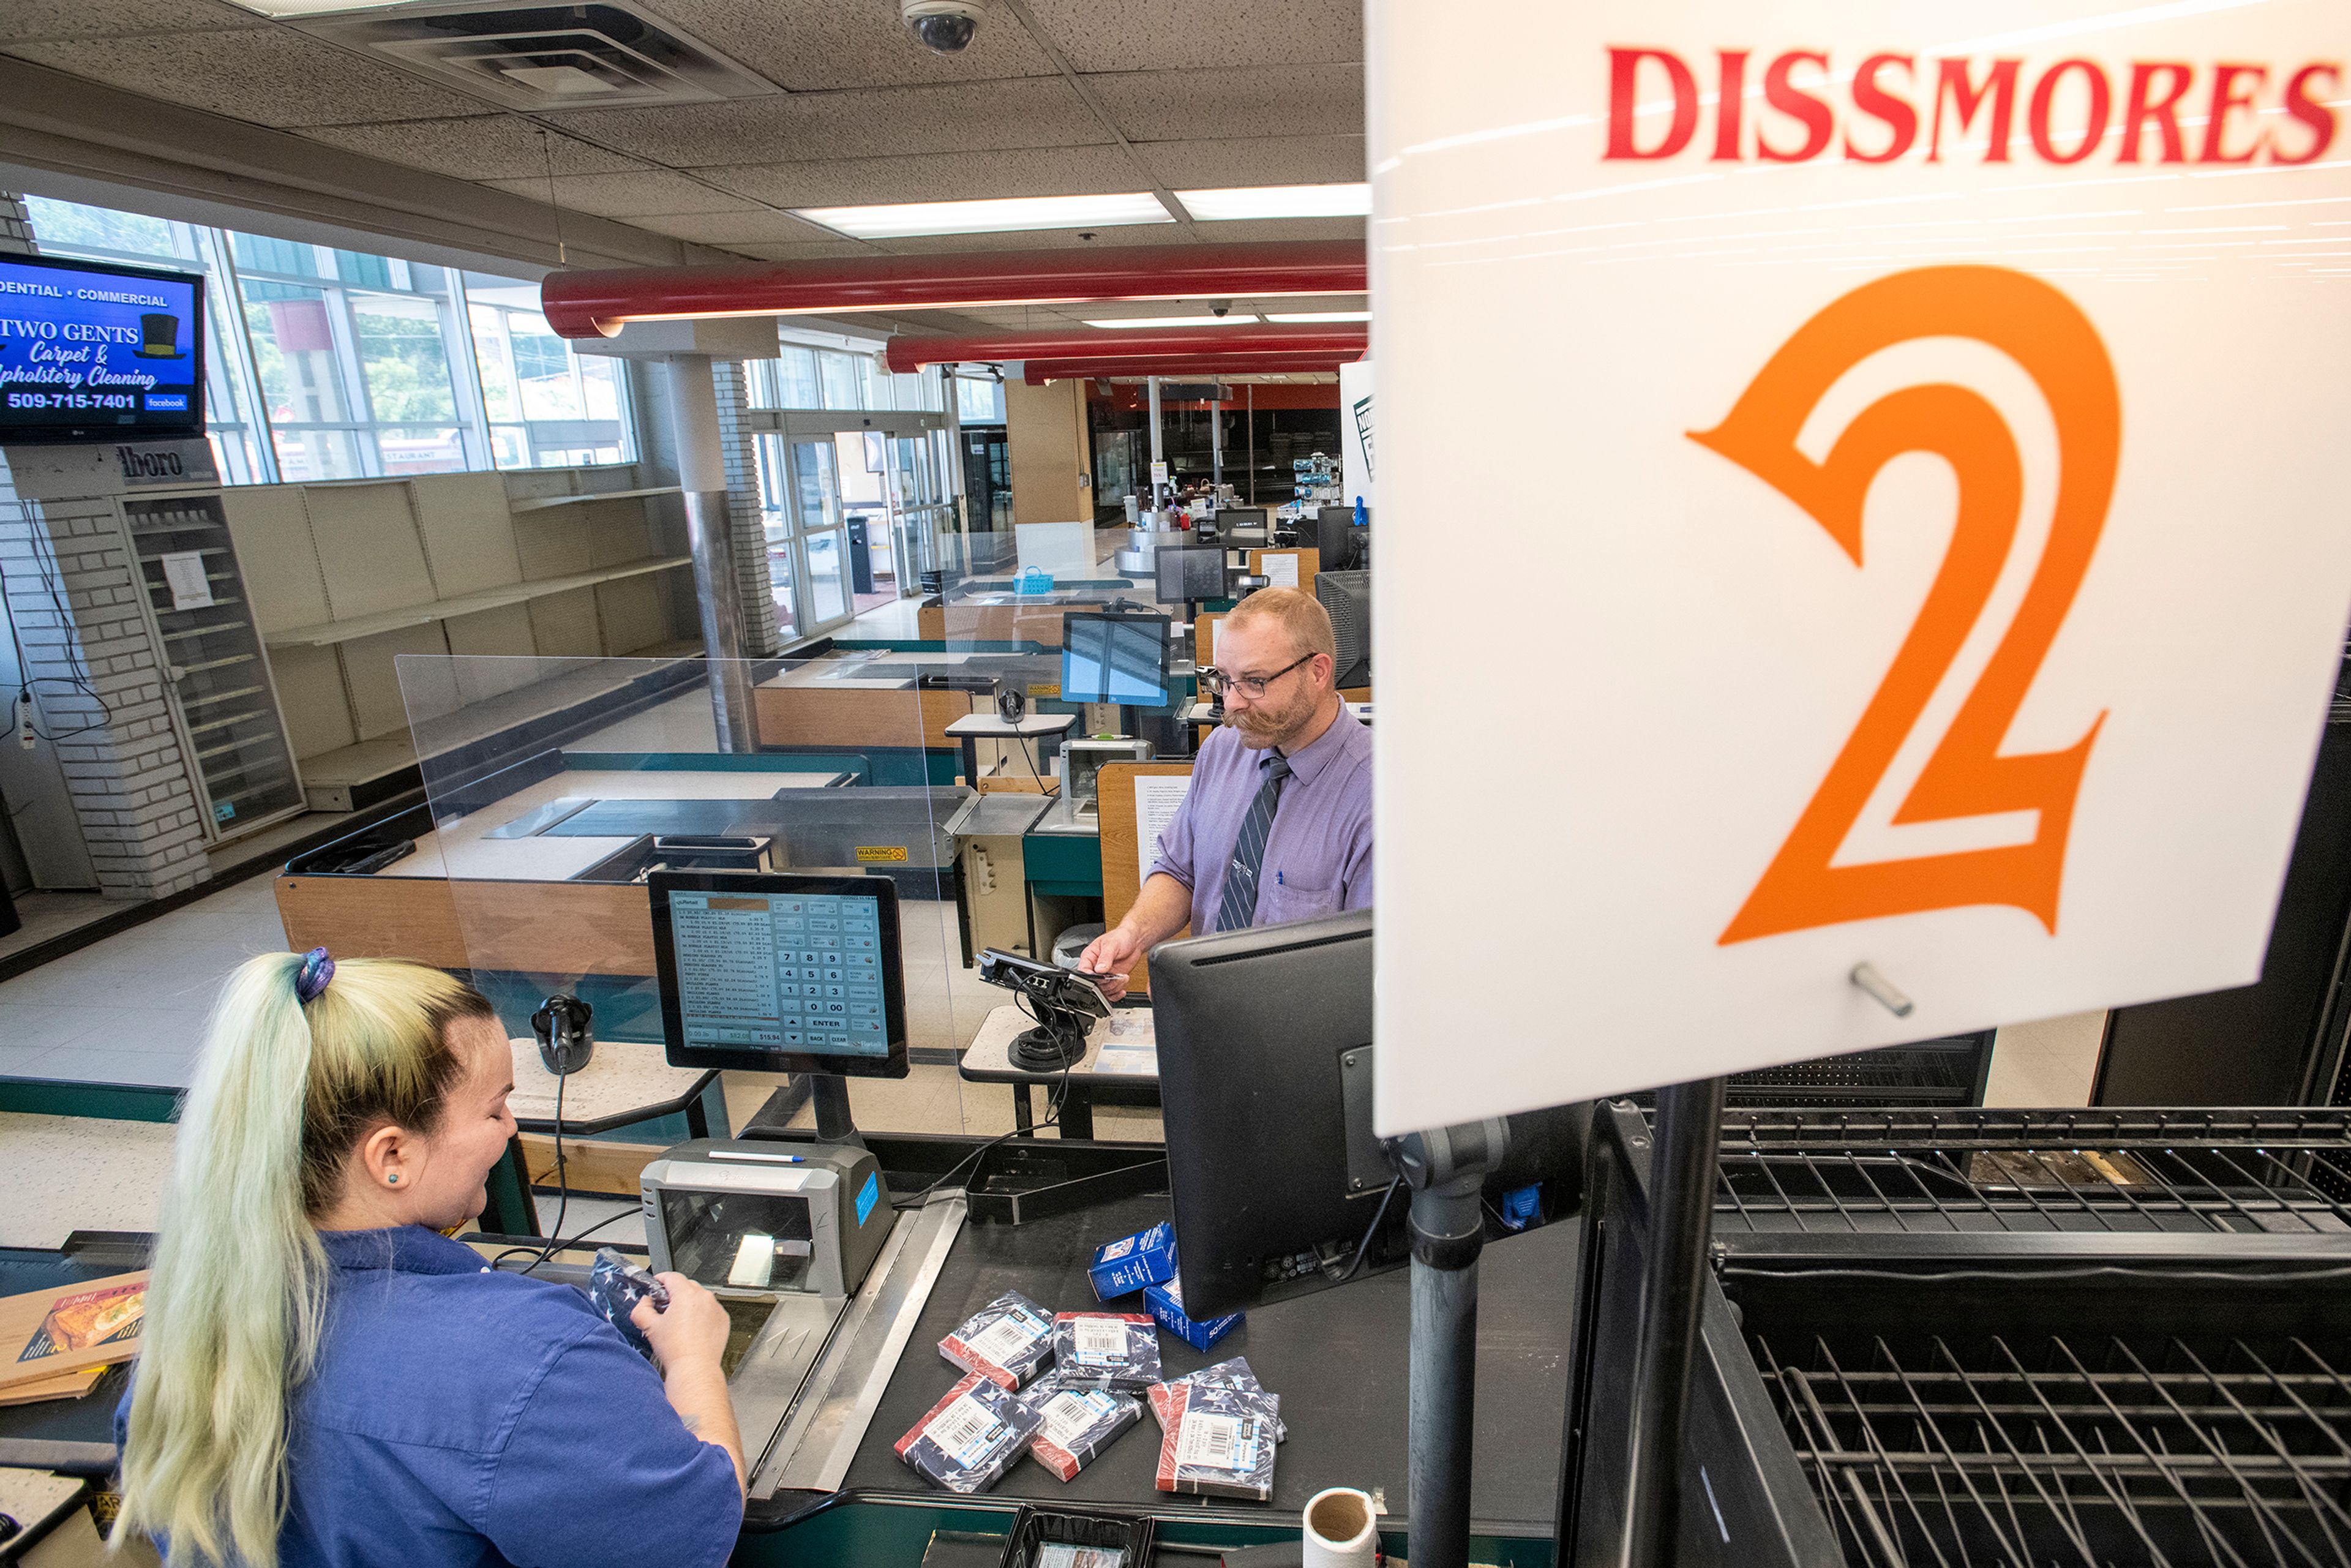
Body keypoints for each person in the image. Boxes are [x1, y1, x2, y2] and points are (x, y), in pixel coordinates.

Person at [114, 950, 745, 1568]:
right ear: (392, 1156)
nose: (511, 1127)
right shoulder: (530, 1358)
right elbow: (689, 1532)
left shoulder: (185, 1336)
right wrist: (693, 1360)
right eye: (494, 1107)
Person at [1080, 587, 1371, 1000]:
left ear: (1318, 672)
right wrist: (1132, 933)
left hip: (1304, 1039)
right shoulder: (1223, 749)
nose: (1232, 704)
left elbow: (1369, 971)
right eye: (1223, 680)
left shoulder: (1375, 797)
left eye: (1255, 682)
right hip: (1211, 1014)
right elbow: (1181, 870)